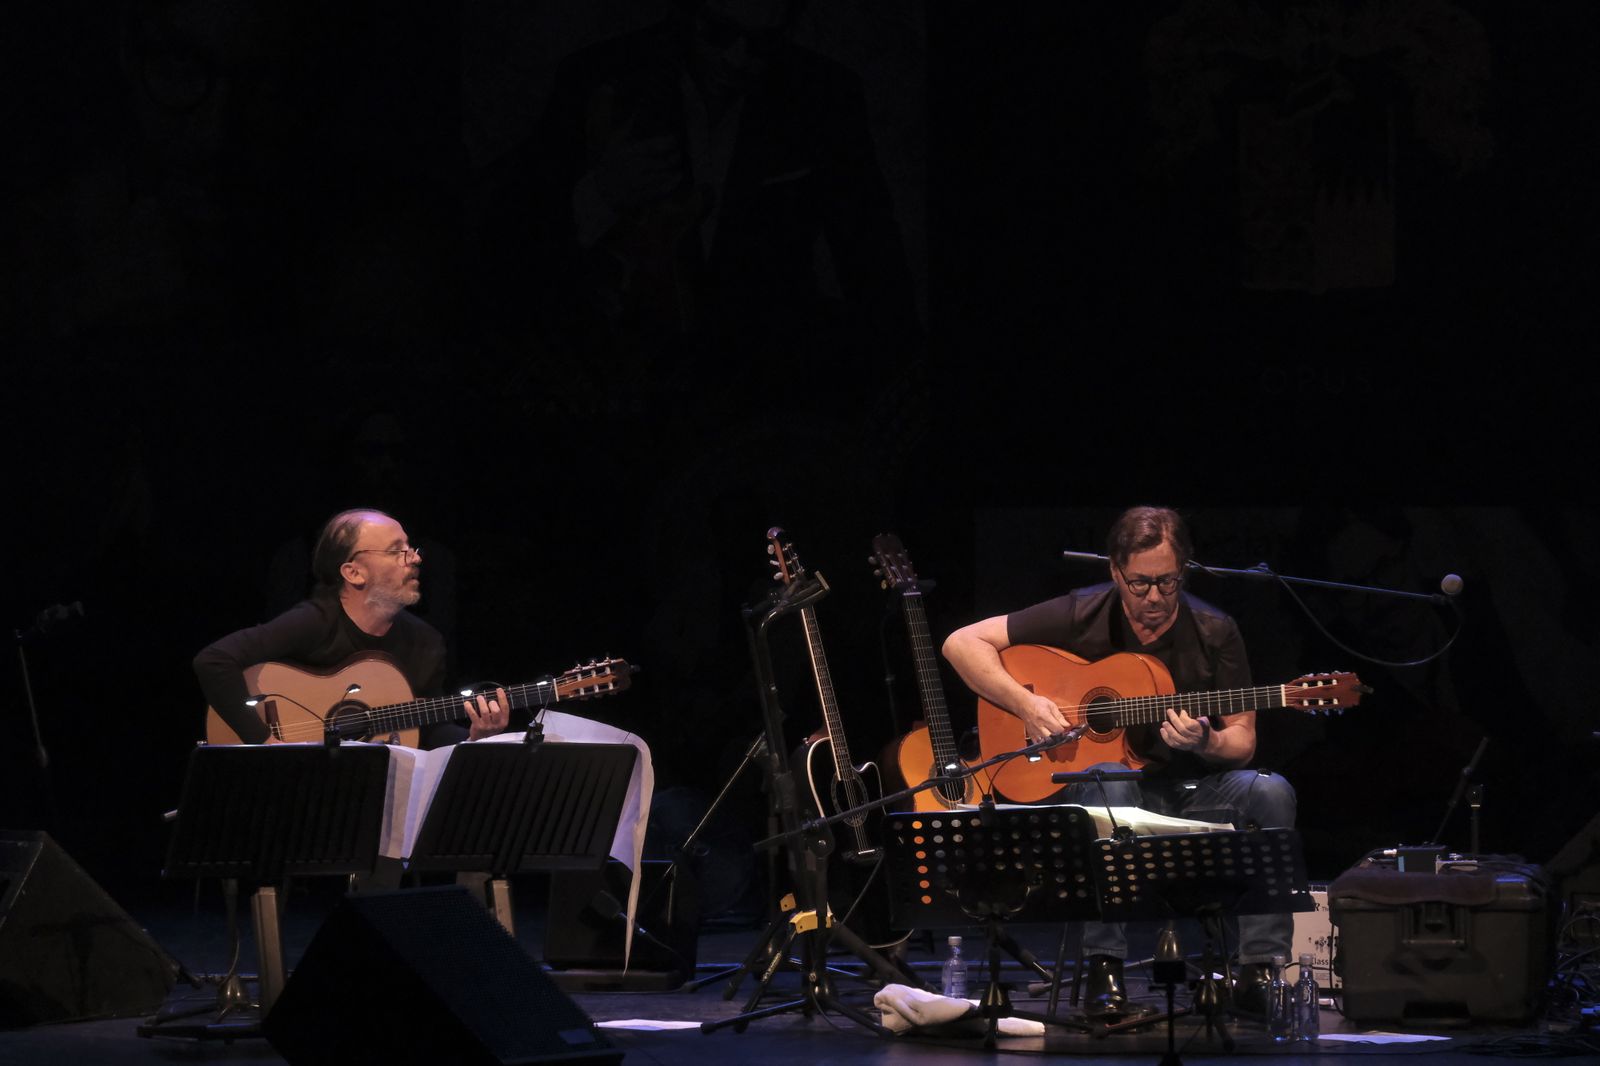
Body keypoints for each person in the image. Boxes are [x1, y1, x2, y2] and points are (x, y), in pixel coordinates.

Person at [941, 506, 1296, 1020]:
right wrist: (1027, 704)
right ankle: (1103, 968)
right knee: (1109, 780)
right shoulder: (1080, 612)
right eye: (1139, 584)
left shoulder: (1215, 631)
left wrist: (1202, 743)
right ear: (1115, 572)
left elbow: (1241, 740)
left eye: (1167, 583)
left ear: (1184, 572)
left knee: (1270, 790)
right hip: (1105, 793)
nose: (1153, 597)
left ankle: (1259, 972)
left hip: (1191, 791)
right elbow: (960, 643)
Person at [194, 508, 507, 748]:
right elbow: (214, 661)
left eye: (411, 549)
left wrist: (474, 738)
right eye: (397, 551)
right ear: (354, 572)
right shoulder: (315, 621)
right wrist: (265, 742)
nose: (414, 559)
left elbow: (427, 727)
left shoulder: (426, 642)